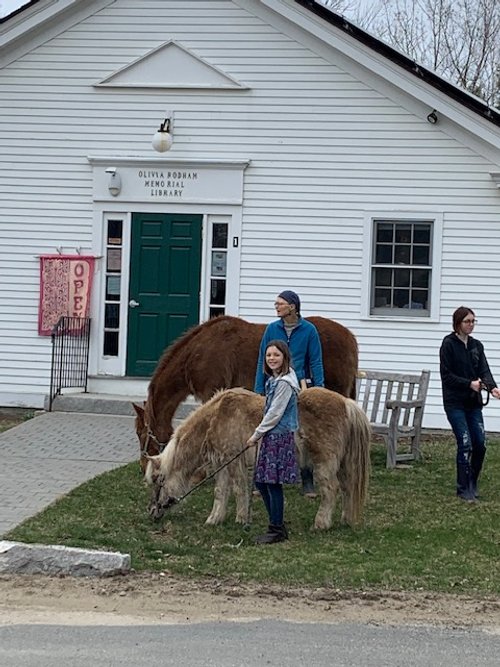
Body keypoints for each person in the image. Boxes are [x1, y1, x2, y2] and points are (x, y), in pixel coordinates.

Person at [254, 290, 324, 496]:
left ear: (292, 306)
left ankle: (307, 477)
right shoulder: (272, 329)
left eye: (280, 304)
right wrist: (259, 389)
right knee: (268, 430)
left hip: (298, 386)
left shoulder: (309, 330)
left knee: (301, 433)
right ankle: (263, 476)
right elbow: (262, 359)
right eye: (276, 304)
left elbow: (316, 361)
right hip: (273, 385)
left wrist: (319, 389)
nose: (276, 307)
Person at [439, 306, 500, 501]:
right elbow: (447, 376)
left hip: (474, 404)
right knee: (465, 443)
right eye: (467, 321)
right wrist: (469, 384)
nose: (471, 325)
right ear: (457, 323)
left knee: (480, 444)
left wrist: (492, 387)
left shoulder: (476, 346)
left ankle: (473, 482)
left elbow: (484, 369)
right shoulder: (448, 345)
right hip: (455, 403)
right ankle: (463, 487)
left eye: (473, 321)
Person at [247, 339, 300, 544]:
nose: (272, 359)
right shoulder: (275, 380)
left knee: (272, 482)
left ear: (285, 357)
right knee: (261, 481)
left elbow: (275, 413)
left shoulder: (285, 383)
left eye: (276, 355)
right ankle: (276, 523)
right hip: (271, 436)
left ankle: (276, 529)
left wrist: (255, 435)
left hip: (279, 436)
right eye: (269, 355)